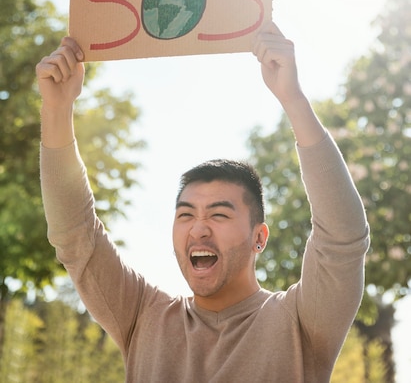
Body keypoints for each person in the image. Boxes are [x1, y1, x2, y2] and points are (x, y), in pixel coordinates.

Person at [36, 22, 369, 383]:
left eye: (219, 214)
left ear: (260, 237)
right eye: (186, 214)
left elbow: (342, 237)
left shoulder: (300, 322)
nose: (198, 228)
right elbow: (75, 235)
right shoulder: (142, 315)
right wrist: (57, 108)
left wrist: (293, 98)